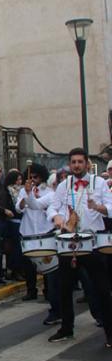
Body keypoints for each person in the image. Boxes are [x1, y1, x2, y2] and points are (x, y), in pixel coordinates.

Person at [47, 147, 112, 346]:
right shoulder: (63, 186)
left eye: (80, 162)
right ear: (70, 164)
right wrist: (56, 217)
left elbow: (111, 207)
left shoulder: (99, 183)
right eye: (73, 162)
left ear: (86, 163)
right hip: (69, 244)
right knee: (65, 289)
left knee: (102, 289)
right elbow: (52, 206)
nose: (76, 165)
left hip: (93, 245)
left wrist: (97, 207)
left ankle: (110, 332)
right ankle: (67, 328)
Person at [16, 163, 60, 321]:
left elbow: (40, 206)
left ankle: (50, 293)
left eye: (36, 177)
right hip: (28, 231)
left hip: (44, 230)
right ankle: (31, 289)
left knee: (48, 265)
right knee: (29, 264)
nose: (33, 180)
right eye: (31, 177)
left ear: (41, 177)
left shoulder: (49, 192)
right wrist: (25, 197)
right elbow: (19, 208)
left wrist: (32, 197)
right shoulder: (23, 190)